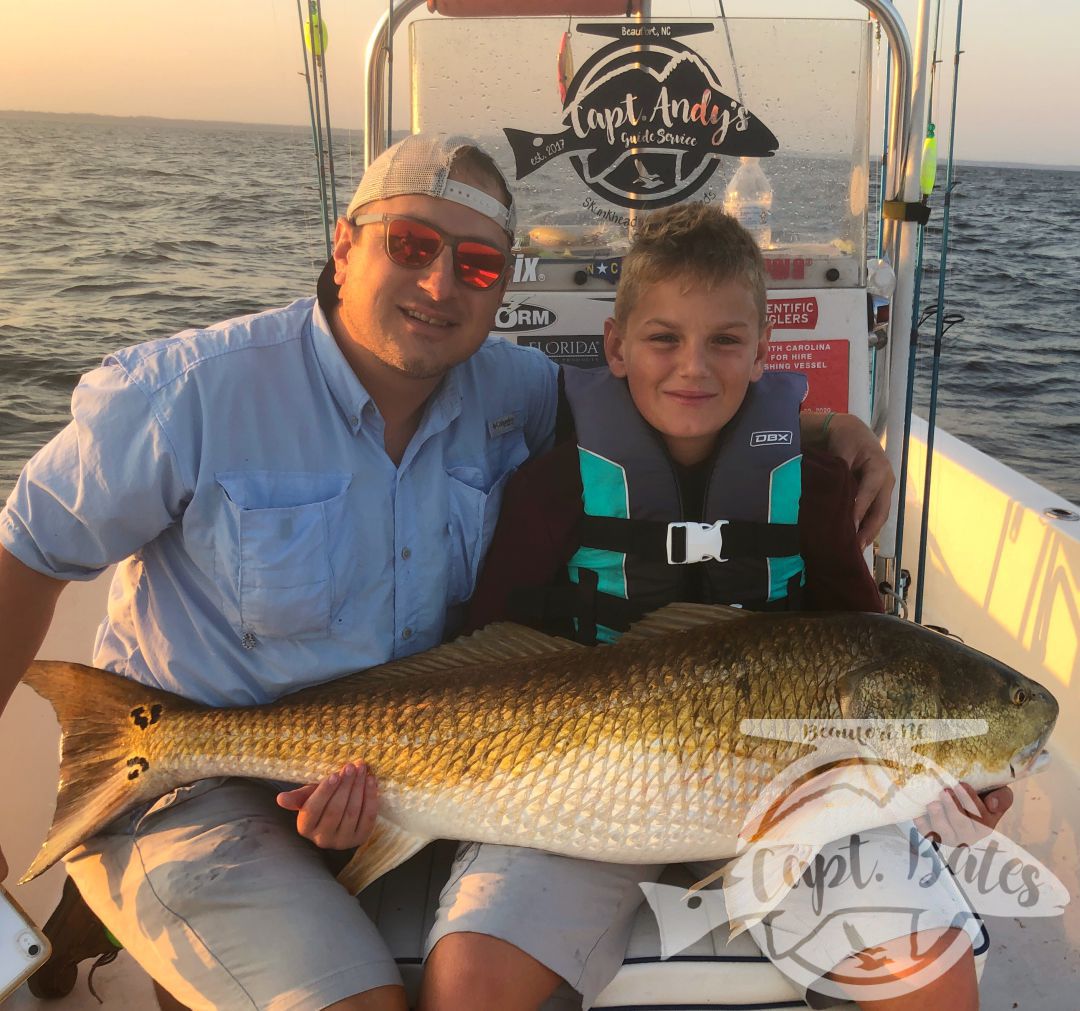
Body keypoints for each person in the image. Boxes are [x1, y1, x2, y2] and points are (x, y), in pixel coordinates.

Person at [0, 134, 897, 1011]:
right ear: (345, 245)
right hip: (195, 785)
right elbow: (27, 550)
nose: (438, 285)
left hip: (428, 766)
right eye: (412, 245)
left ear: (501, 287)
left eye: (474, 264)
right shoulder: (188, 393)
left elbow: (678, 404)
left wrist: (826, 431)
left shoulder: (518, 392)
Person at [417, 204, 1015, 1011]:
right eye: (664, 338)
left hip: (798, 813)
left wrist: (949, 784)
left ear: (763, 353)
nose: (692, 366)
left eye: (725, 341)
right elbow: (487, 651)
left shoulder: (817, 489)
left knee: (934, 983)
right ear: (617, 349)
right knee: (471, 982)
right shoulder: (553, 489)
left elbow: (872, 652)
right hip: (579, 796)